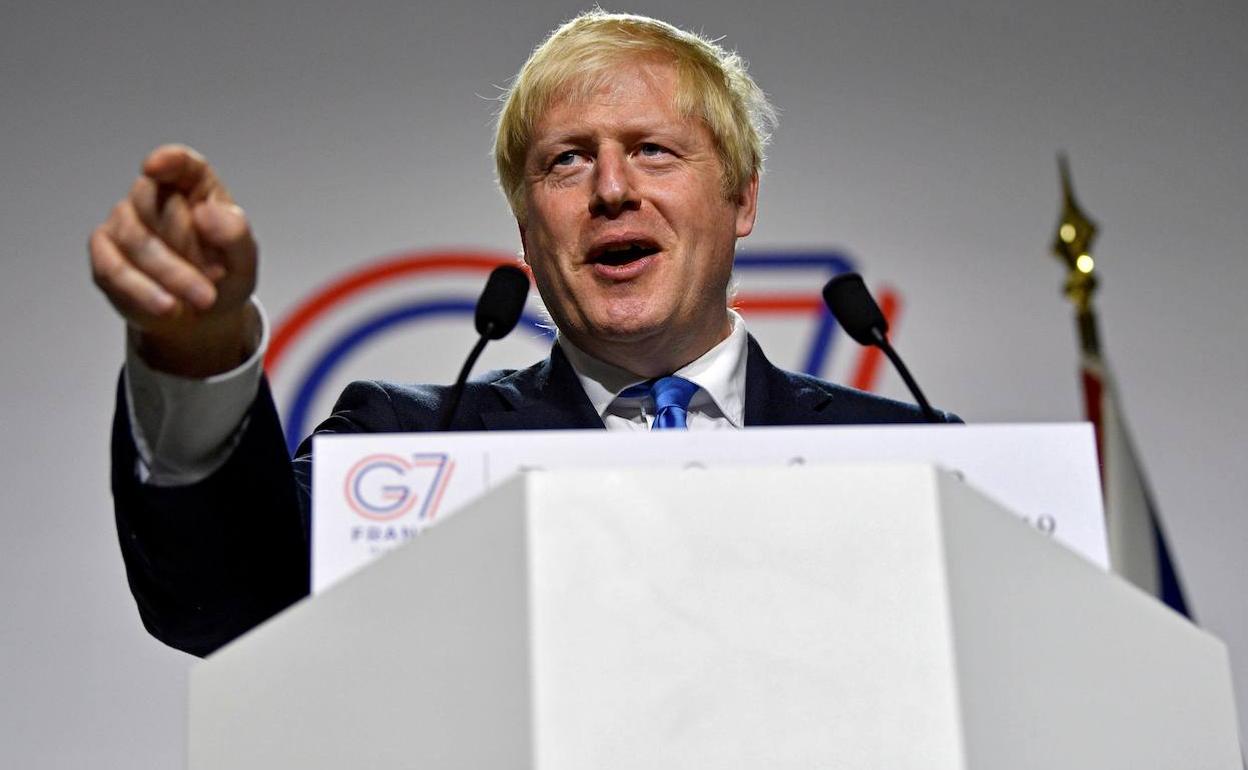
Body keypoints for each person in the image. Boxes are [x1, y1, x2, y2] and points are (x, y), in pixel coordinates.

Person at [90, 10, 951, 657]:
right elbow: (225, 606)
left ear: (742, 198)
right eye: (566, 160)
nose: (611, 188)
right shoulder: (407, 447)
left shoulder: (913, 457)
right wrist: (197, 354)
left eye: (653, 149)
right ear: (526, 229)